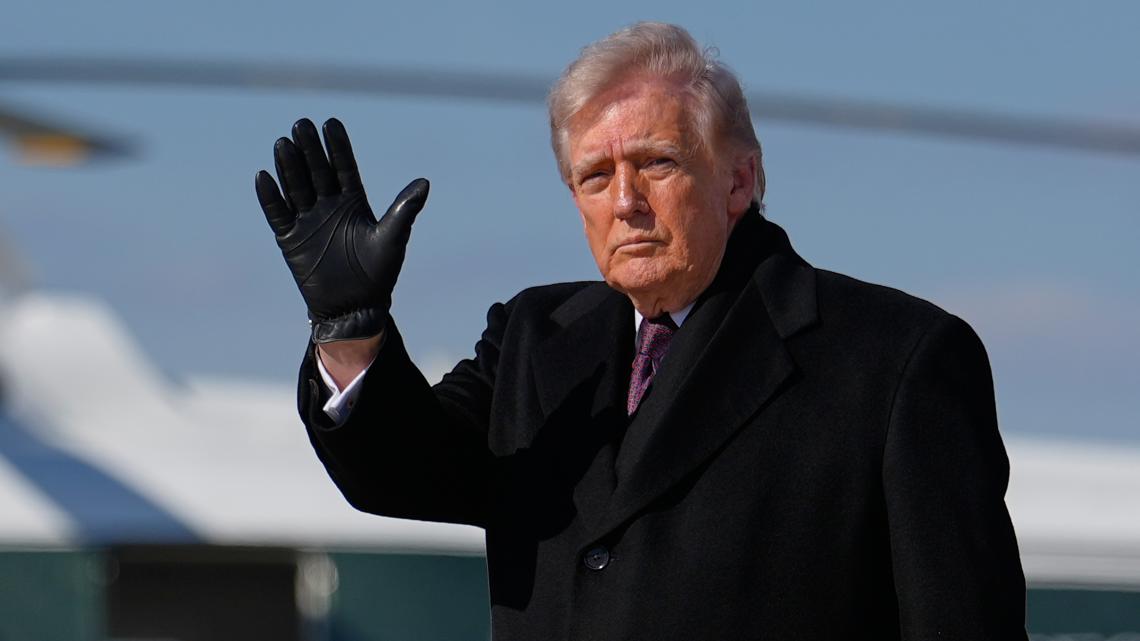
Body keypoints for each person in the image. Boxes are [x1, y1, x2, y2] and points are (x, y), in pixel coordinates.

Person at [255, 22, 1027, 641]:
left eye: (656, 163)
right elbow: (403, 471)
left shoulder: (895, 359)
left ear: (739, 180)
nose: (624, 201)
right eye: (595, 176)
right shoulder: (534, 336)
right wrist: (350, 331)